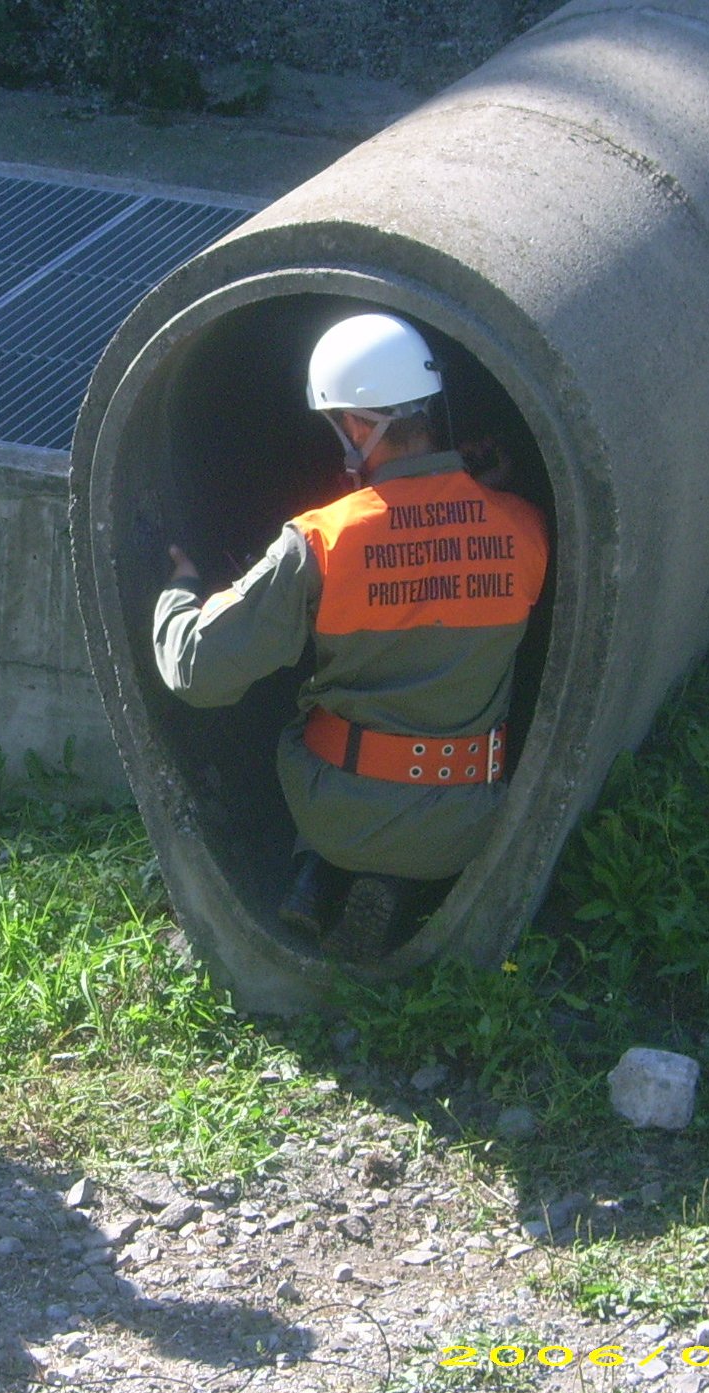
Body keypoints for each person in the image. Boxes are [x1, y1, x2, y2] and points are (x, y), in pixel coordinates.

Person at [152, 312, 549, 959]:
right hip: (467, 816)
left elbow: (197, 672)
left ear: (360, 426)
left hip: (333, 807)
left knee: (299, 691)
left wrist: (177, 590)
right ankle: (399, 886)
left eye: (338, 425)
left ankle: (323, 866)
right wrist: (485, 487)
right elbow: (455, 554)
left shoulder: (320, 540)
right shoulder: (523, 525)